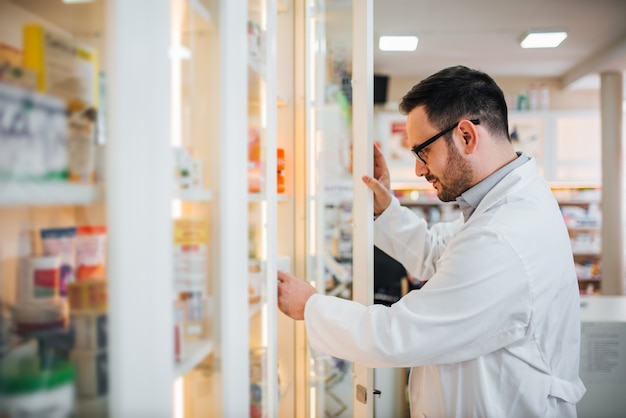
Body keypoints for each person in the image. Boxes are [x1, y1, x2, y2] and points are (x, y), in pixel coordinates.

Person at [277, 65, 586, 417]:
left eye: (422, 152)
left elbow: (399, 335)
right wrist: (386, 209)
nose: (420, 170)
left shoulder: (504, 235)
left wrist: (313, 307)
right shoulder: (501, 205)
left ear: (467, 136)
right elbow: (442, 254)